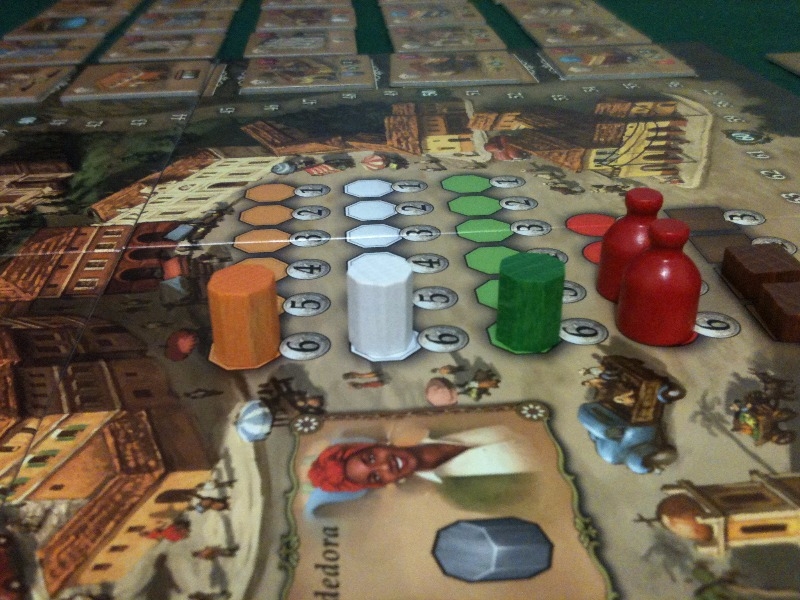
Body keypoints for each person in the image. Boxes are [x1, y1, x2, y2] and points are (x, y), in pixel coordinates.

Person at [308, 425, 536, 492]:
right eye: (376, 476)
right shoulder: (458, 492)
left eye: (371, 457)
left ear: (377, 445)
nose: (385, 465)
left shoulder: (440, 420)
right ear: (385, 483)